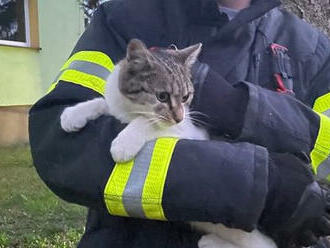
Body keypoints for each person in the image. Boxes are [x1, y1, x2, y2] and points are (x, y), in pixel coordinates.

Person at [29, 0, 330, 247]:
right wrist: (252, 185)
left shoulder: (314, 49)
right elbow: (59, 142)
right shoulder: (122, 18)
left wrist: (242, 108)